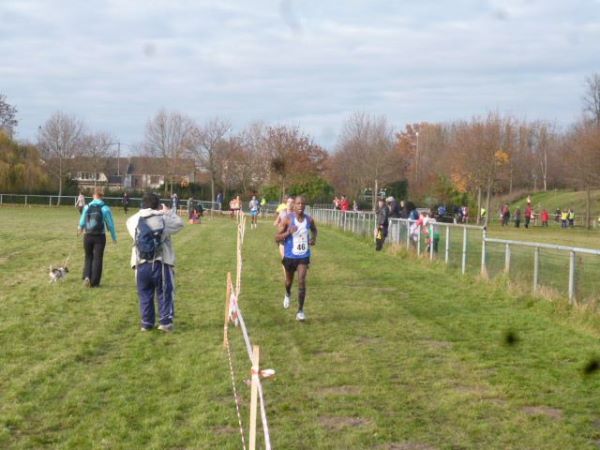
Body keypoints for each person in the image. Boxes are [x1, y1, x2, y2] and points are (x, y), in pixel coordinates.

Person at [126, 193, 184, 332]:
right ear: (158, 205)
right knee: (164, 293)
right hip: (161, 262)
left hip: (140, 263)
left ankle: (146, 323)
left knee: (145, 295)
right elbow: (180, 223)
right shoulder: (162, 219)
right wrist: (168, 212)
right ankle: (165, 322)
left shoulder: (133, 220)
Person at [275, 195, 317, 321]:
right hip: (289, 256)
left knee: (302, 280)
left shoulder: (309, 220)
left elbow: (314, 230)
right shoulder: (288, 219)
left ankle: (300, 311)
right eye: (298, 203)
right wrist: (288, 232)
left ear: (305, 206)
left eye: (303, 204)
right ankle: (287, 293)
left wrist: (313, 239)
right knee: (289, 281)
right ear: (294, 206)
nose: (300, 206)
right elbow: (277, 237)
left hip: (303, 256)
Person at [78, 187, 117, 287]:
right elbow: (110, 224)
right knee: (98, 258)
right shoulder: (105, 208)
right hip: (100, 236)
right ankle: (94, 282)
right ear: (102, 196)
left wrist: (80, 228)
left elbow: (82, 221)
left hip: (88, 235)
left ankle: (87, 276)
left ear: (93, 195)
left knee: (88, 256)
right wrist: (114, 237)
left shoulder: (87, 207)